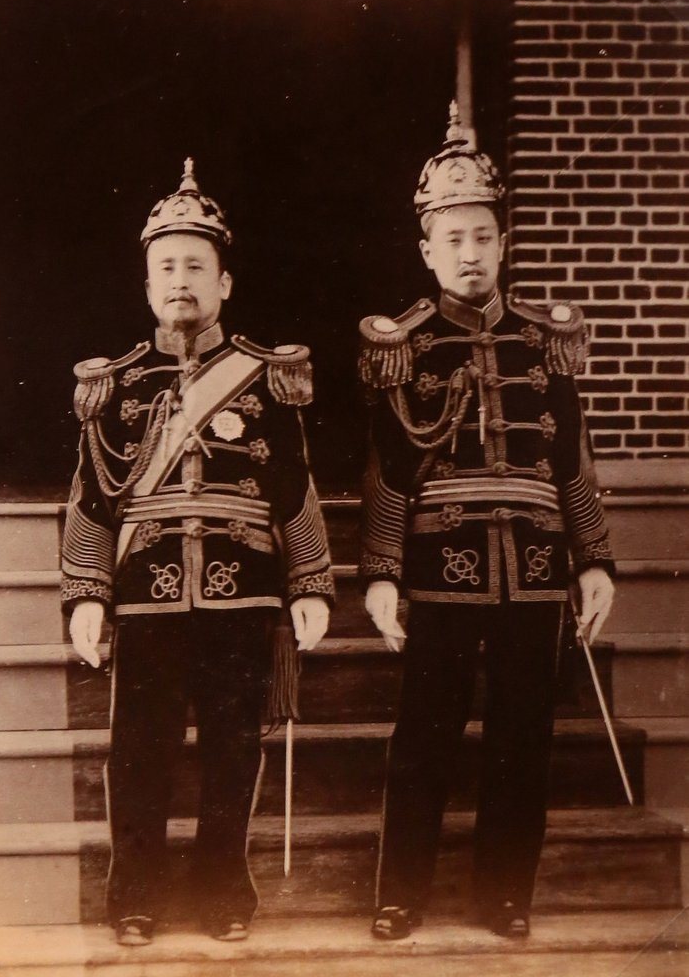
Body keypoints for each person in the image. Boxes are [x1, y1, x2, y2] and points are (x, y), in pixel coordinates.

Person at [358, 103, 615, 940]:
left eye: (482, 237)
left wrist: (594, 560)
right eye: (453, 240)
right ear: (427, 250)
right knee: (423, 738)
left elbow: (572, 459)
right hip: (442, 567)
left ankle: (505, 895)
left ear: (503, 244)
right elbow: (387, 471)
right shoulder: (404, 345)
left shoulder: (544, 341)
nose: (470, 254)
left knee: (521, 738)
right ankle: (401, 894)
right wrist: (382, 574)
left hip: (536, 570)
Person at [60, 160, 333, 946]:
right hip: (145, 592)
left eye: (196, 267)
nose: (181, 280)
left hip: (242, 592)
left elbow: (295, 489)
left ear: (225, 282)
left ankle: (223, 894)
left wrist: (309, 583)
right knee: (138, 753)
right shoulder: (114, 386)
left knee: (232, 750)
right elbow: (90, 499)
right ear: (148, 285)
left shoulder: (267, 378)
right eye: (167, 268)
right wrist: (87, 593)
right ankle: (134, 898)